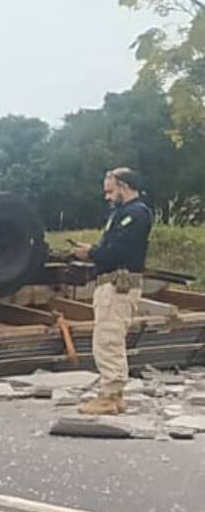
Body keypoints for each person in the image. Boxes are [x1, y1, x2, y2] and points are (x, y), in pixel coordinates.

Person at [72, 167, 153, 415]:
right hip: (113, 284)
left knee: (108, 340)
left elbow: (119, 251)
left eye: (110, 191)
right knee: (108, 339)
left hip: (118, 286)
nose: (107, 197)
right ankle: (113, 395)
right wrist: (96, 250)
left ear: (123, 186)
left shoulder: (135, 214)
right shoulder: (123, 213)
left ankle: (109, 396)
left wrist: (91, 253)